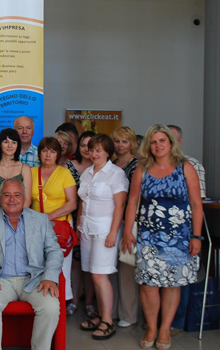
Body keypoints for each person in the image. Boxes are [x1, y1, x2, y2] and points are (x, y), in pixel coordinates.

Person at [122, 125, 203, 350]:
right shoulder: (142, 169)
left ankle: (165, 328)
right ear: (149, 145)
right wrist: (127, 231)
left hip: (179, 238)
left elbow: (196, 204)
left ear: (171, 143)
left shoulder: (185, 167)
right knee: (148, 285)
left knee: (172, 284)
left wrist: (197, 236)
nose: (158, 145)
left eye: (162, 141)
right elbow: (133, 201)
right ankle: (151, 327)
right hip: (149, 237)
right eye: (153, 141)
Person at [0, 178, 63, 350]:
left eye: (17, 195)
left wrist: (50, 277)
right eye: (7, 195)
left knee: (50, 307)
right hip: (0, 280)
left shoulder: (40, 220)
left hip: (34, 280)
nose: (12, 199)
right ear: (0, 197)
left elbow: (54, 251)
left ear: (24, 197)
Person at [77, 134, 128, 340]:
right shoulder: (87, 173)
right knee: (92, 274)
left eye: (98, 150)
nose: (94, 154)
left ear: (107, 152)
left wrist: (114, 232)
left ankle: (108, 321)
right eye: (92, 150)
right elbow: (83, 202)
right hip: (87, 229)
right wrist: (78, 226)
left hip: (105, 230)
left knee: (100, 275)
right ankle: (100, 315)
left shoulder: (116, 174)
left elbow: (120, 205)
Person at [167, 124, 207, 336]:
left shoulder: (191, 165)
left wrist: (195, 235)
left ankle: (176, 322)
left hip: (184, 230)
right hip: (159, 231)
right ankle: (160, 321)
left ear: (180, 142)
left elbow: (197, 202)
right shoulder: (152, 166)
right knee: (160, 278)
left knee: (180, 278)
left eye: (171, 139)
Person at [30, 137, 77, 304]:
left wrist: (49, 216)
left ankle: (62, 302)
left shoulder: (64, 173)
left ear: (58, 154)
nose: (48, 155)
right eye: (44, 150)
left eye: (52, 151)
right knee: (39, 264)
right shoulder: (32, 172)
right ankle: (43, 302)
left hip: (59, 225)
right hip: (36, 226)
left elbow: (72, 203)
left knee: (61, 265)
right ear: (39, 153)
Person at [111, 126, 140, 328]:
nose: (120, 145)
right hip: (111, 220)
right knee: (110, 268)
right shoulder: (111, 163)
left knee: (127, 268)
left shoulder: (137, 165)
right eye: (117, 141)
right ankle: (111, 311)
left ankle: (128, 315)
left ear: (132, 143)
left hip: (128, 221)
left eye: (125, 141)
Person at [66, 131, 97, 318]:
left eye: (90, 146)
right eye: (83, 145)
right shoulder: (70, 166)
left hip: (93, 220)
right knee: (75, 263)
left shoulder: (100, 167)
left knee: (90, 265)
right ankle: (75, 300)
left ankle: (90, 302)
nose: (86, 149)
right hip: (72, 219)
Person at [0, 128, 32, 211]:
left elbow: (27, 199)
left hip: (19, 216)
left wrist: (17, 216)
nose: (10, 146)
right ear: (0, 144)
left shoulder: (25, 169)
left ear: (18, 145)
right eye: (6, 142)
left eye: (14, 142)